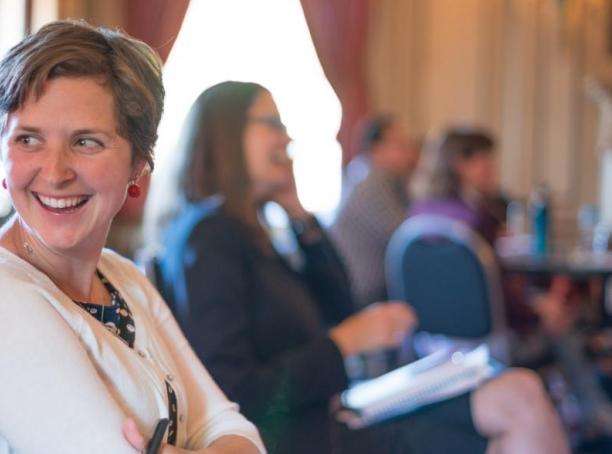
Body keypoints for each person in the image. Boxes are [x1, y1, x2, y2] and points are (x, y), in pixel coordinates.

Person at [145, 81, 569, 454]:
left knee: (519, 392)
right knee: (516, 407)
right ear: (226, 133)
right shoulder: (210, 238)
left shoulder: (252, 230)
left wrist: (298, 213)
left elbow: (340, 302)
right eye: (271, 122)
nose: (286, 135)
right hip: (298, 436)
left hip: (328, 414)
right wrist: (343, 344)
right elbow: (236, 391)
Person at [0, 21, 264, 454]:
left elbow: (233, 428)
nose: (55, 172)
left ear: (138, 164)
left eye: (86, 141)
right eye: (29, 139)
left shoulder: (122, 277)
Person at [411, 127, 612, 435]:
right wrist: (538, 312)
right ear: (460, 165)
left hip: (432, 341)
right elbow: (497, 298)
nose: (493, 171)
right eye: (486, 164)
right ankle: (593, 410)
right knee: (563, 322)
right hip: (489, 341)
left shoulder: (419, 214)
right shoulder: (473, 219)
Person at [332, 114, 419, 308]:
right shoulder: (373, 183)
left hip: (370, 288)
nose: (409, 152)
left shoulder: (371, 176)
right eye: (400, 144)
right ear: (377, 149)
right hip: (365, 293)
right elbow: (404, 237)